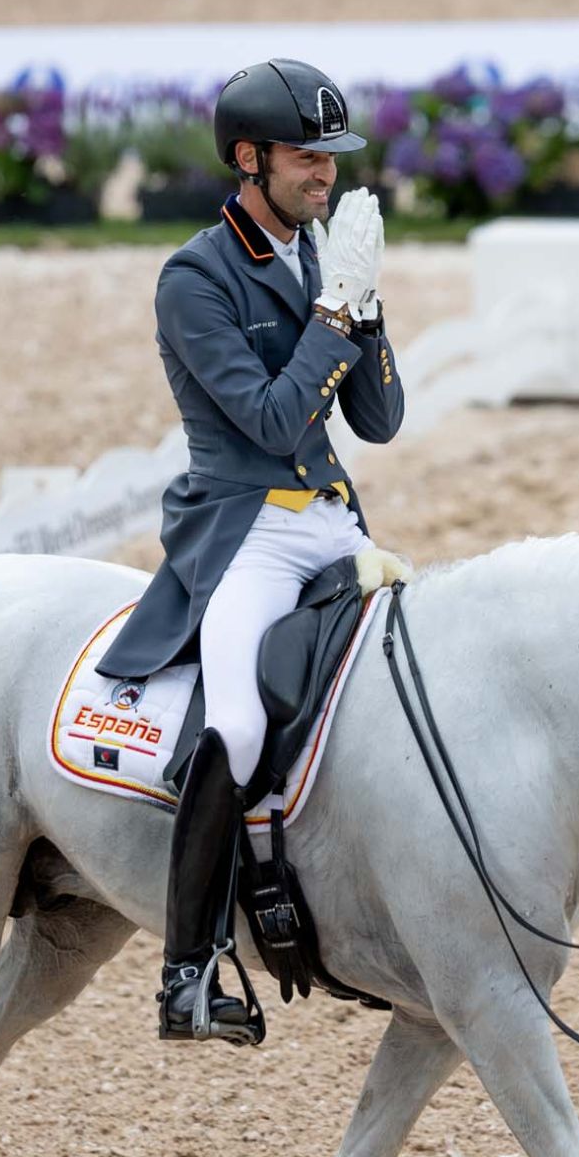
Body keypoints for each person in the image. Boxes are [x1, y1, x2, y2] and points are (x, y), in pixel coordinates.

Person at [92, 58, 406, 1041]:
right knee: (233, 723)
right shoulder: (195, 278)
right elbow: (271, 421)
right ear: (247, 158)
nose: (327, 174)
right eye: (307, 157)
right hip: (245, 532)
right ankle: (188, 972)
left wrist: (367, 303)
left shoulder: (321, 251)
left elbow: (381, 417)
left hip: (331, 517)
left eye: (332, 157)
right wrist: (328, 314)